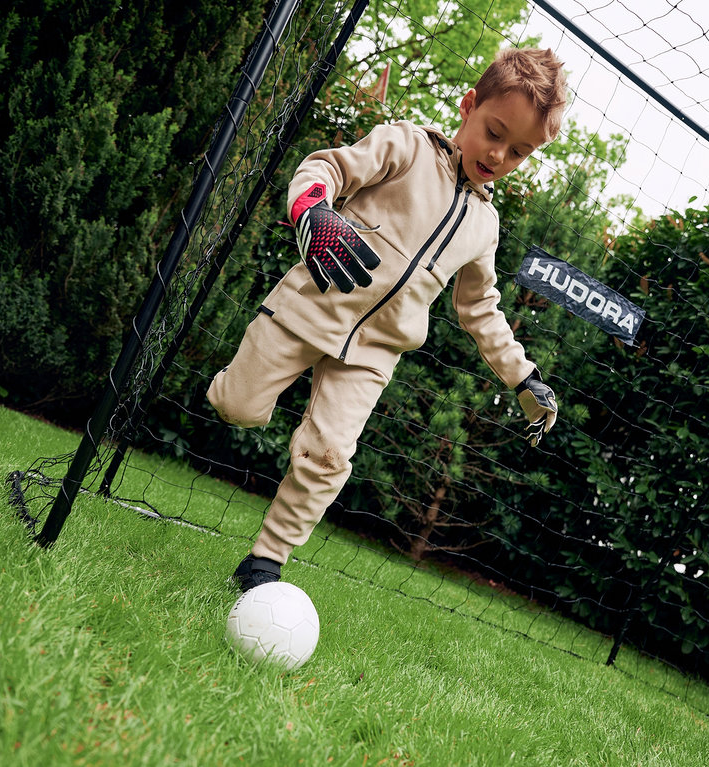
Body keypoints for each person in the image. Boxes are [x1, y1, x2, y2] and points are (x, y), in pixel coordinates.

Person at [208, 47, 566, 591]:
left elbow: (480, 308)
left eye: (518, 152)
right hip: (310, 308)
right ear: (468, 106)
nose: (499, 155)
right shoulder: (406, 145)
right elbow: (324, 167)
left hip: (375, 352)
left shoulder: (484, 225)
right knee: (236, 406)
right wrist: (315, 209)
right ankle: (228, 391)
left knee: (330, 456)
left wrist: (523, 376)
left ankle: (265, 563)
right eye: (494, 132)